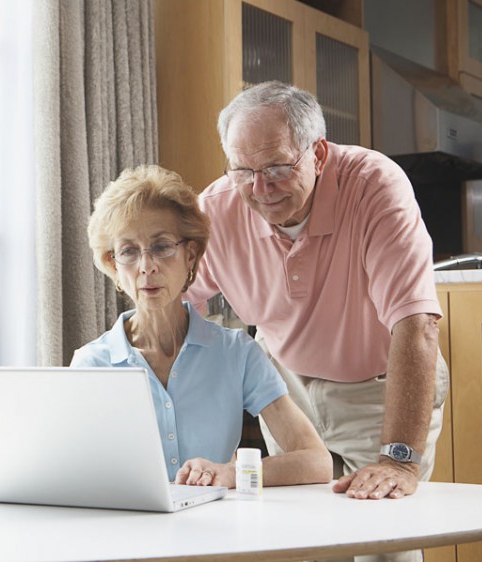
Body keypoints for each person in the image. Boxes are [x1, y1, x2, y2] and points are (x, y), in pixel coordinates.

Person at [184, 81, 447, 560]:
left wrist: (400, 461)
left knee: (383, 544)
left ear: (319, 154)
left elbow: (416, 323)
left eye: (277, 168)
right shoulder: (217, 208)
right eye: (243, 170)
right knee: (302, 539)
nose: (260, 189)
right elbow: (178, 306)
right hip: (287, 387)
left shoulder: (373, 185)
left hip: (379, 385)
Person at [71, 164, 331, 489]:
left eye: (161, 247)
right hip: (129, 523)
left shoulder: (236, 353)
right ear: (113, 264)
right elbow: (71, 474)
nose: (146, 267)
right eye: (128, 251)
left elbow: (316, 461)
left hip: (217, 522)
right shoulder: (91, 365)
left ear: (190, 255)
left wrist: (231, 474)